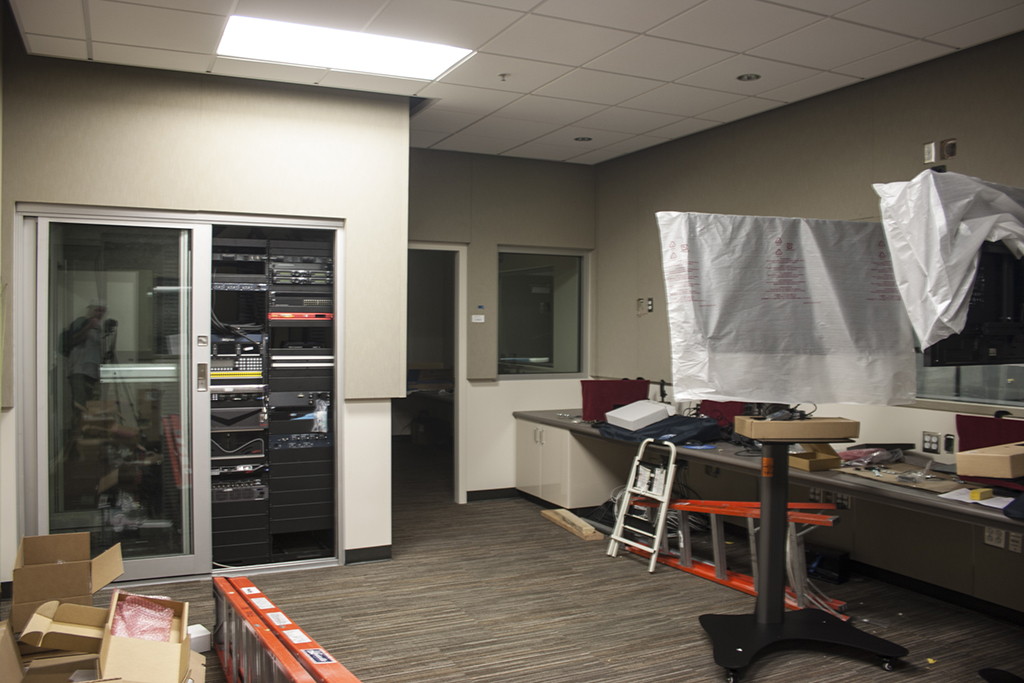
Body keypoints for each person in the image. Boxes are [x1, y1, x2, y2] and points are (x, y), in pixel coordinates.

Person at [65, 302, 109, 411]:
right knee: (80, 404)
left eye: (102, 311)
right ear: (90, 310)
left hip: (93, 372)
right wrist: (89, 327)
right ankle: (78, 421)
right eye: (97, 310)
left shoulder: (99, 329)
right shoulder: (81, 322)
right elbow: (72, 340)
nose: (100, 314)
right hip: (79, 370)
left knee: (91, 404)